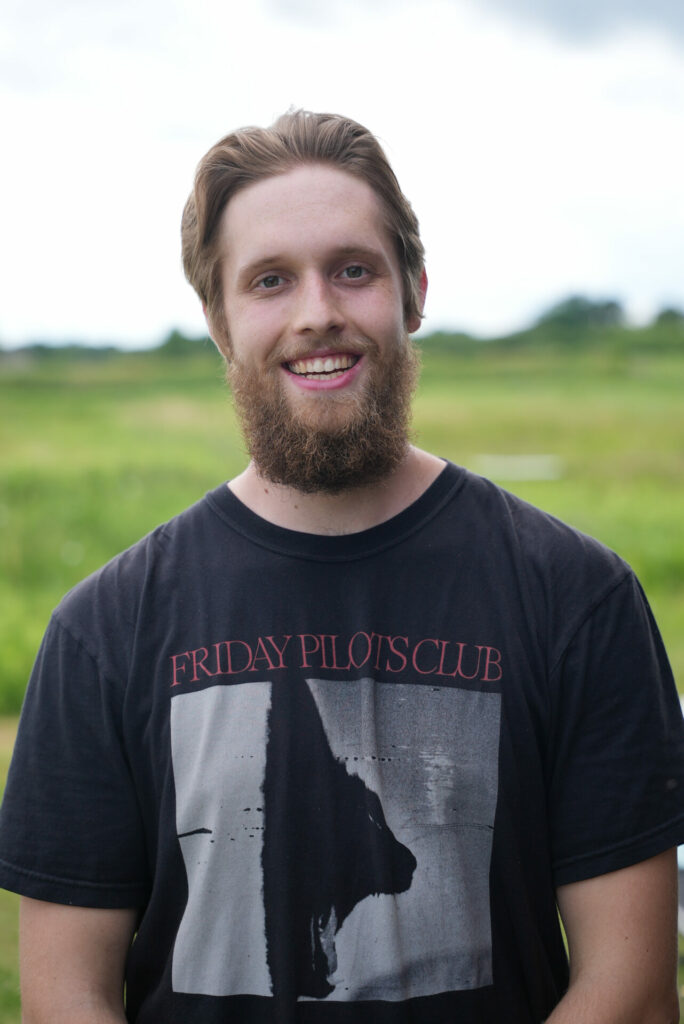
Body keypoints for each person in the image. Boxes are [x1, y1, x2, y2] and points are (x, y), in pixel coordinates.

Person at [1, 110, 683, 1024]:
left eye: (353, 270)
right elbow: (65, 997)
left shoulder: (577, 598)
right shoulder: (102, 631)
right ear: (219, 321)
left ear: (414, 293)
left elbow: (631, 988)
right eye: (271, 280)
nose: (317, 311)